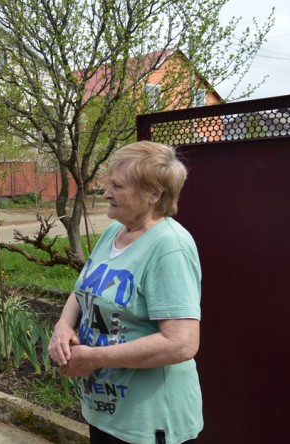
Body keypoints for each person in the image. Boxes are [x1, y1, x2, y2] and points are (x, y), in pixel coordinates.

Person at [48, 141, 203, 444]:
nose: (106, 193)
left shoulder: (170, 247)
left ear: (153, 194)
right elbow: (80, 292)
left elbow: (181, 344)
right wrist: (63, 327)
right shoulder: (113, 232)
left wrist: (94, 358)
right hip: (106, 414)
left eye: (117, 186)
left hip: (149, 424)